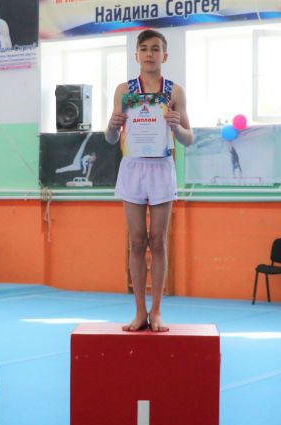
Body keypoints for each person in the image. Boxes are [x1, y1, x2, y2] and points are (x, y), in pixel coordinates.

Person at [106, 29, 194, 332]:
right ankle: (139, 311)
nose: (149, 54)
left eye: (155, 49)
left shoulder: (175, 92)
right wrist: (111, 126)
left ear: (164, 56)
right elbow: (111, 138)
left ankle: (156, 311)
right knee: (136, 240)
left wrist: (177, 127)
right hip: (133, 167)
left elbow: (189, 138)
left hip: (161, 167)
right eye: (144, 49)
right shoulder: (124, 90)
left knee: (157, 240)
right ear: (136, 55)